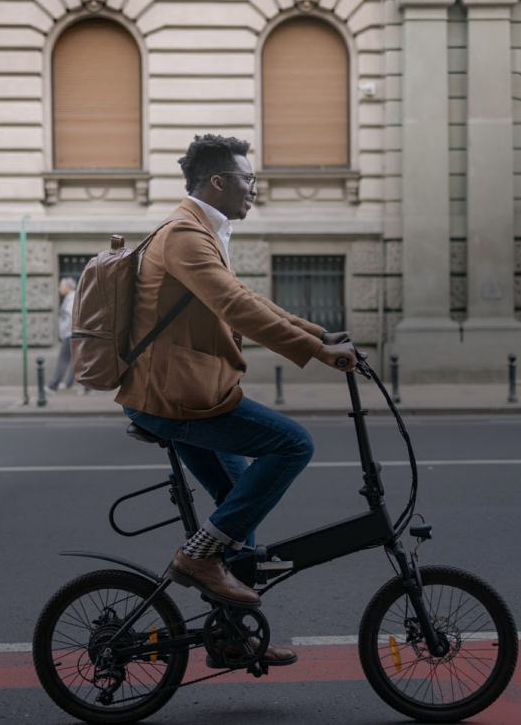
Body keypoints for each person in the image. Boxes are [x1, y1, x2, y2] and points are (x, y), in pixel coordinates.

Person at [117, 134, 356, 666]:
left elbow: (244, 296)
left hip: (184, 390)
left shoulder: (203, 230)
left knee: (239, 515)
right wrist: (315, 353)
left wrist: (319, 334)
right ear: (218, 182)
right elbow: (235, 307)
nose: (255, 189)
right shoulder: (184, 235)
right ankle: (197, 559)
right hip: (173, 398)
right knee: (293, 444)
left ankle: (226, 638)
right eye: (248, 180)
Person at [47, 277, 77, 392]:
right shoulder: (70, 298)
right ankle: (70, 383)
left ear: (68, 287)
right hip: (71, 334)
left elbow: (73, 316)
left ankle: (53, 385)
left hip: (70, 334)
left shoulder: (72, 299)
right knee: (77, 360)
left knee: (63, 359)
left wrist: (68, 332)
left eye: (61, 285)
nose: (59, 288)